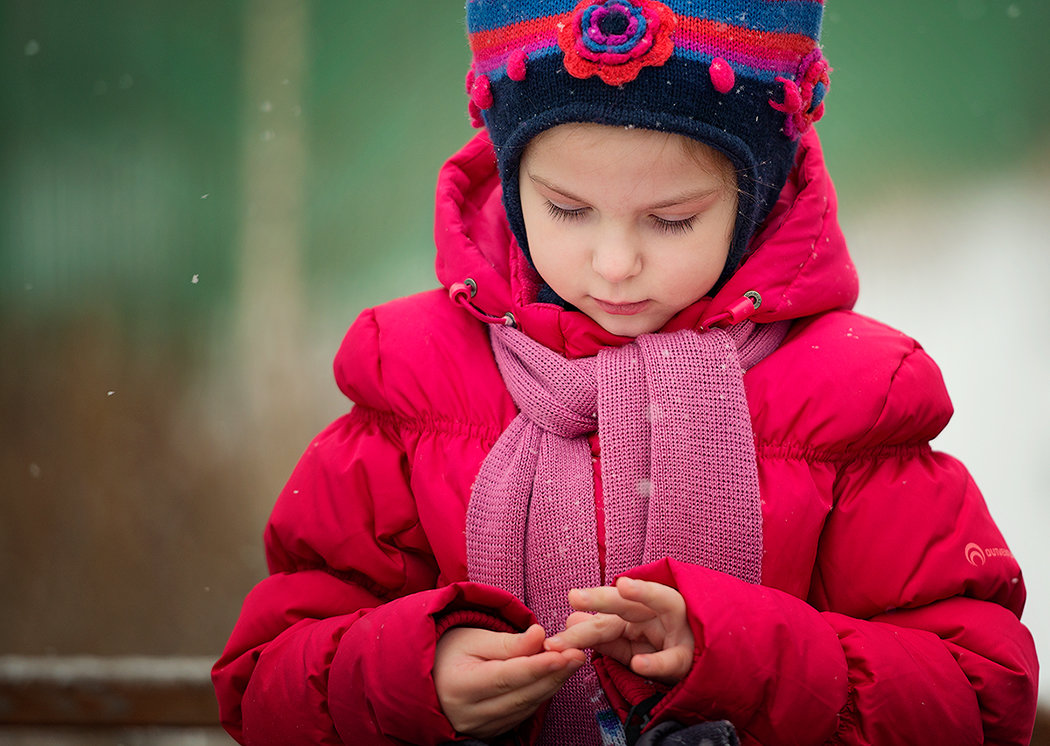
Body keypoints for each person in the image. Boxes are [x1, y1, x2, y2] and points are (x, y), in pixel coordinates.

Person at [212, 1, 1039, 743]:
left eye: (672, 219)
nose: (613, 264)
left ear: (753, 199)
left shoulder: (848, 396)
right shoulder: (416, 380)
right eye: (566, 210)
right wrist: (409, 677)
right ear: (510, 179)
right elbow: (267, 678)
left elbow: (979, 690)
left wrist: (749, 664)